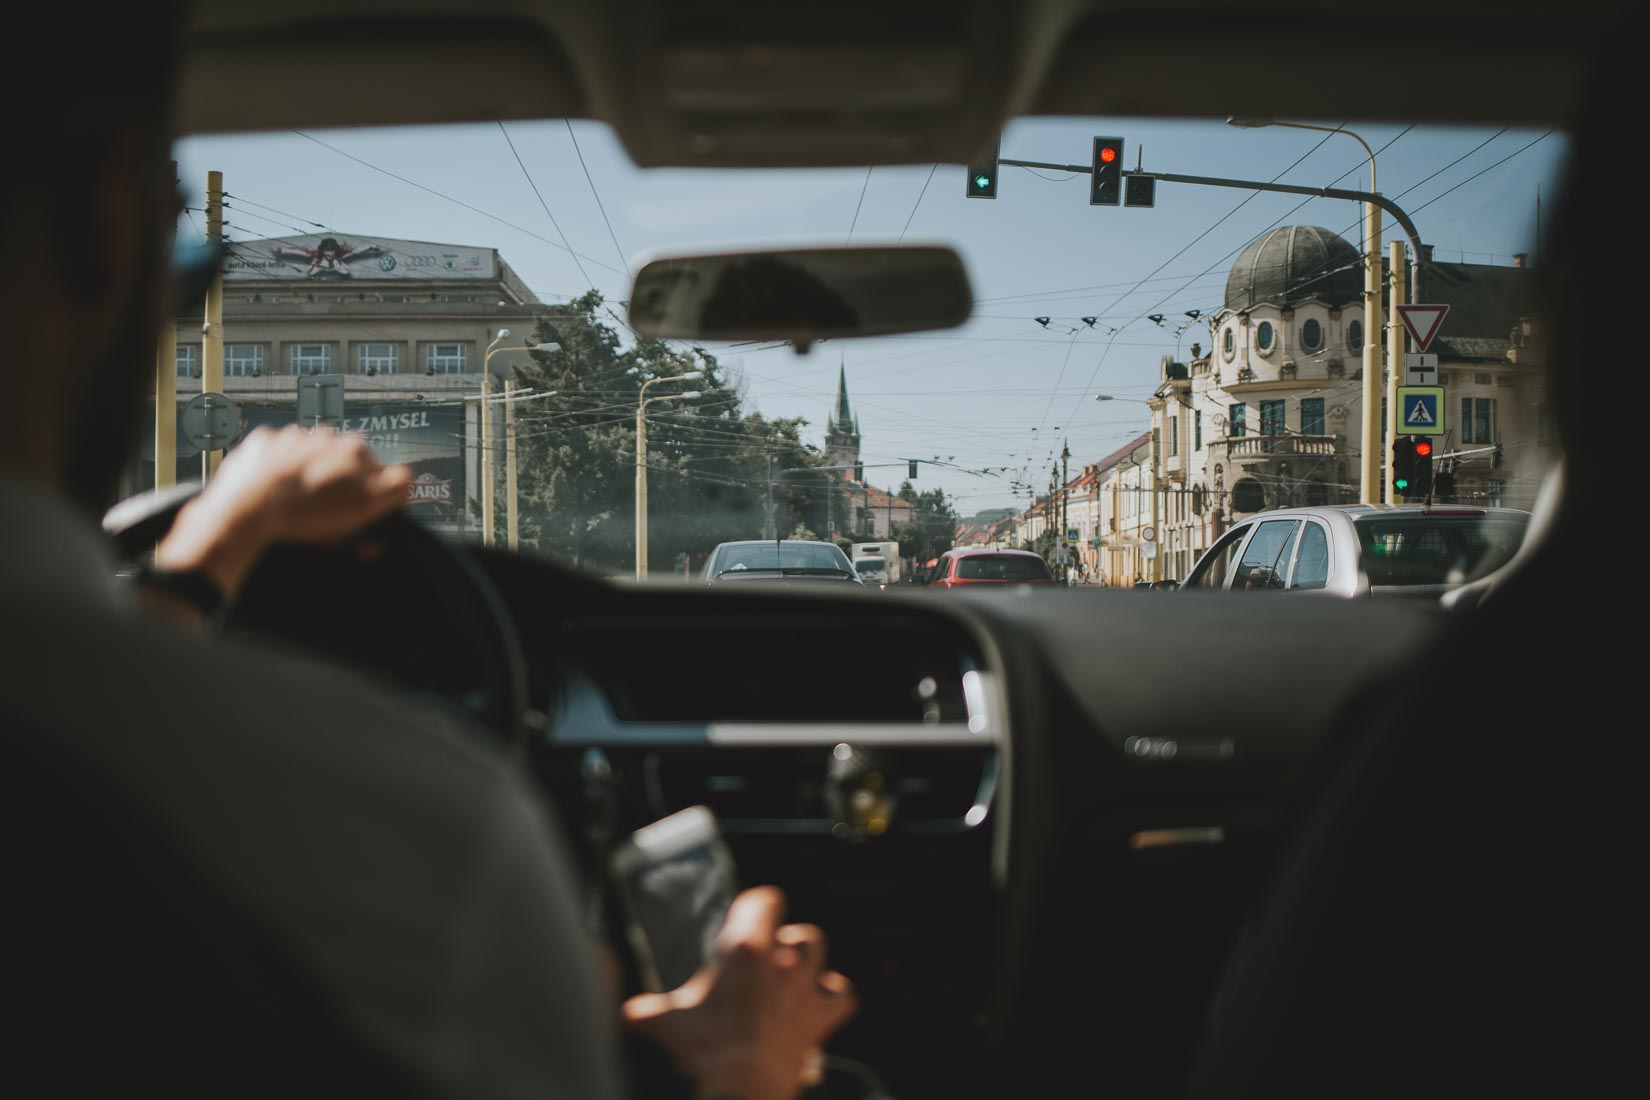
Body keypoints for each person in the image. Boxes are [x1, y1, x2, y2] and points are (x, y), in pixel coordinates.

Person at [0, 8, 853, 1100]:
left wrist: (210, 550)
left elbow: (90, 712)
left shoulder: (100, 732)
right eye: (183, 235)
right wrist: (732, 1073)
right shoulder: (423, 834)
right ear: (102, 221)